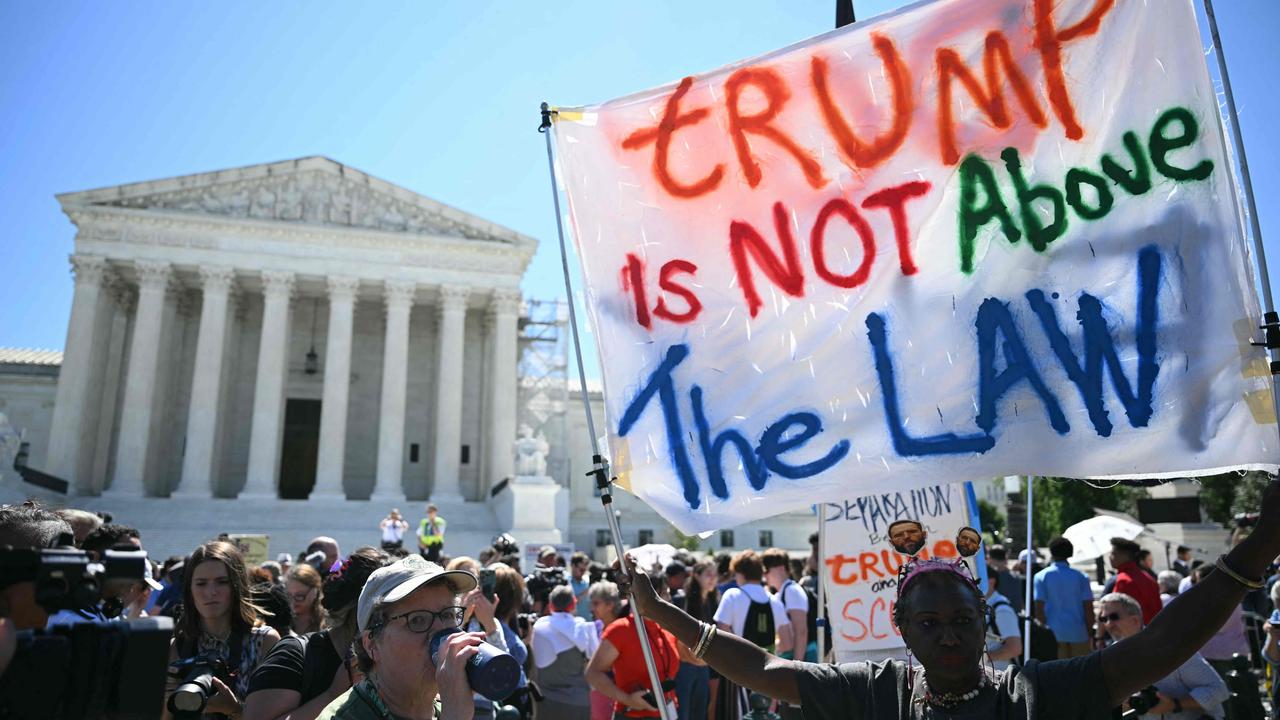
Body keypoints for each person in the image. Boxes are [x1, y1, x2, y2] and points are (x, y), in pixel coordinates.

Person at [613, 478, 1280, 720]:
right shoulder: (873, 693)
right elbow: (760, 671)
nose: (949, 635)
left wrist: (1259, 548)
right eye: (929, 622)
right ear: (901, 628)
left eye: (962, 620)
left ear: (984, 623)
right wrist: (660, 613)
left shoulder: (1035, 693)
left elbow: (1164, 644)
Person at [315, 555, 482, 720]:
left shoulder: (449, 708)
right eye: (417, 620)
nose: (441, 632)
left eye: (447, 615)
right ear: (372, 644)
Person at [246, 549, 395, 720]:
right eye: (387, 609)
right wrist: (332, 695)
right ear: (357, 608)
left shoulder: (395, 662)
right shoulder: (295, 656)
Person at [164, 541, 281, 720]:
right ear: (190, 590)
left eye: (221, 582)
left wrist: (234, 709)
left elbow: (277, 715)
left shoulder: (264, 641)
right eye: (201, 583)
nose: (211, 592)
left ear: (237, 586)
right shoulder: (178, 647)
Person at [1099, 592, 1228, 719]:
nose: (1109, 624)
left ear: (1135, 620)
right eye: (1103, 619)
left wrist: (1175, 704)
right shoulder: (1112, 656)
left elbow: (1218, 690)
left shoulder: (1171, 648)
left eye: (1114, 617)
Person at [713, 550, 790, 716]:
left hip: (738, 671)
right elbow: (787, 642)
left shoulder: (732, 596)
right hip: (769, 672)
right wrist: (765, 648)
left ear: (740, 573)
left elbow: (721, 634)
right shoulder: (774, 600)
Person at [586, 586, 681, 719]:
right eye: (664, 593)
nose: (670, 599)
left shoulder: (667, 628)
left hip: (668, 713)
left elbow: (695, 659)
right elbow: (592, 673)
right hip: (632, 715)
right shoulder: (621, 629)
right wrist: (627, 699)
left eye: (668, 593)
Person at [530, 585, 599, 719]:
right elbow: (595, 660)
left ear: (550, 605)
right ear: (574, 603)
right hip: (579, 702)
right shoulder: (585, 629)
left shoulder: (538, 627)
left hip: (546, 702)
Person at [1033, 536, 1094, 659]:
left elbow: (1039, 609)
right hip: (1079, 633)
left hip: (1053, 635)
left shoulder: (1041, 576)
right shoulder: (1082, 577)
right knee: (1080, 674)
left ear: (1052, 552)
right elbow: (1088, 608)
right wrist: (1090, 632)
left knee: (1058, 674)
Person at [1190, 565, 1250, 678]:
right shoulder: (1232, 593)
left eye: (1198, 579)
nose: (1196, 582)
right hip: (1233, 649)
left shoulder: (1211, 599)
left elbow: (1213, 625)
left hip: (1216, 652)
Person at [676, 562, 718, 720]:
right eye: (708, 574)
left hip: (703, 665)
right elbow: (677, 637)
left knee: (700, 713)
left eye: (715, 574)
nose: (713, 579)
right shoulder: (682, 600)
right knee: (684, 713)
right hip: (685, 665)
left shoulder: (712, 601)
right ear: (696, 575)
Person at [762, 549, 810, 662]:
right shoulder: (783, 592)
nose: (764, 575)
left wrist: (797, 666)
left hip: (802, 658)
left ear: (781, 568)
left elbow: (801, 631)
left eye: (767, 570)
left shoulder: (792, 591)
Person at [586, 581, 624, 720]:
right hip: (599, 695)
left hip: (622, 696)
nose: (591, 608)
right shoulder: (594, 627)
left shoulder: (624, 629)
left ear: (610, 605)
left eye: (596, 603)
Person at [1110, 537, 1161, 624]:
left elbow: (1117, 612)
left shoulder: (1124, 581)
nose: (1110, 557)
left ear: (1124, 555)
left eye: (1113, 554)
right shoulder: (1147, 577)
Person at [984, 573, 1022, 671]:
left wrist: (983, 659)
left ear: (991, 581)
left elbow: (1014, 648)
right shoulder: (983, 604)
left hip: (1000, 678)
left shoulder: (1002, 610)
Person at [287, 564, 325, 635]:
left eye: (299, 595)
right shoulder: (283, 620)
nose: (293, 601)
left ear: (315, 591)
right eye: (289, 595)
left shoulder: (328, 621)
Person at [987, 545, 1024, 613]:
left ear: (989, 558)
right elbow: (1018, 606)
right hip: (1011, 616)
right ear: (1006, 558)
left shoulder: (985, 577)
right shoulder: (1015, 577)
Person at [570, 552, 593, 621]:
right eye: (581, 570)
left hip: (588, 623)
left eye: (585, 570)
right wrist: (584, 594)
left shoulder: (587, 582)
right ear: (573, 566)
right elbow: (567, 604)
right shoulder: (566, 582)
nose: (583, 572)